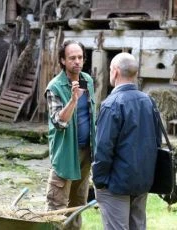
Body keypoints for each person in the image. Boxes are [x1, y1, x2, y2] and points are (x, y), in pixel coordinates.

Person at [92, 52, 161, 230]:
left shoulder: (112, 104)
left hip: (116, 184)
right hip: (142, 181)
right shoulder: (149, 101)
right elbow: (157, 142)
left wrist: (99, 182)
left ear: (115, 72)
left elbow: (102, 149)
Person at [45, 40, 96, 230]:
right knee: (57, 205)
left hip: (86, 151)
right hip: (66, 152)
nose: (77, 61)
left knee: (77, 203)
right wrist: (73, 100)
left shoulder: (87, 80)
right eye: (72, 58)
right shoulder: (55, 87)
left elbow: (92, 115)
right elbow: (59, 122)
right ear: (63, 60)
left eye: (80, 57)